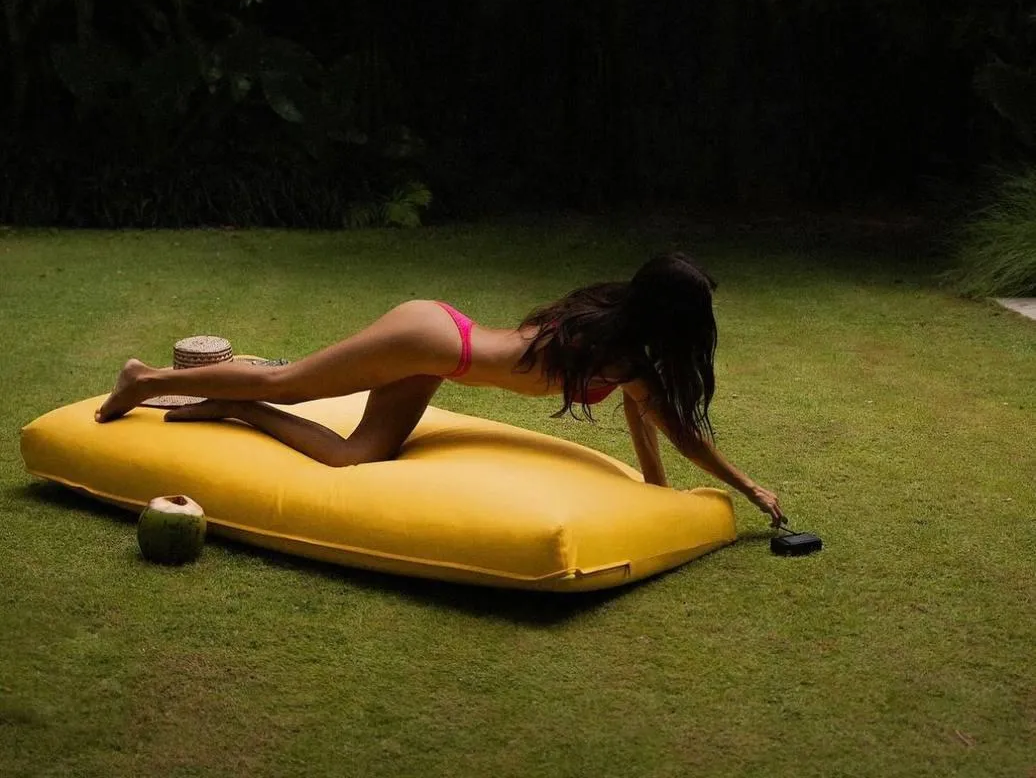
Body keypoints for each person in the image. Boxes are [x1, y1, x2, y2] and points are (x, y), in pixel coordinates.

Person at [94, 252, 785, 526]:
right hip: (432, 340)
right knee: (292, 381)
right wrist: (752, 489)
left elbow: (648, 416)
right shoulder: (616, 352)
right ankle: (146, 378)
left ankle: (235, 406)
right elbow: (674, 422)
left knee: (351, 457)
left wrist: (652, 482)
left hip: (439, 355)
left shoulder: (610, 330)